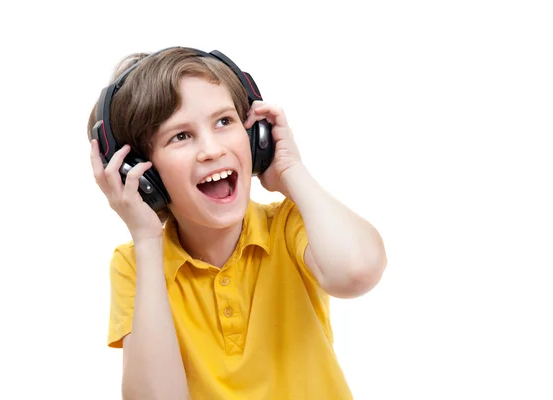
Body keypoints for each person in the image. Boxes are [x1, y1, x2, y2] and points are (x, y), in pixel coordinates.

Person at [87, 46, 387, 400]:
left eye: (224, 122)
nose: (212, 149)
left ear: (256, 137)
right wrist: (146, 239)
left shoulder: (290, 225)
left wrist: (291, 171)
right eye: (180, 136)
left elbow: (358, 272)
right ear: (142, 173)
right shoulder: (136, 264)